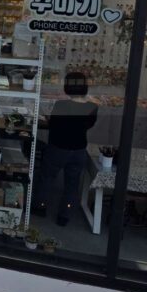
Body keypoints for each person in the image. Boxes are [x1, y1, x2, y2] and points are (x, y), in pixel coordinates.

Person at [35, 72, 99, 226]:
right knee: (72, 184)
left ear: (67, 87)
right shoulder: (92, 107)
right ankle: (64, 215)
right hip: (78, 150)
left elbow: (53, 125)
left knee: (47, 178)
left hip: (58, 148)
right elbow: (88, 125)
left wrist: (48, 119)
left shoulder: (61, 105)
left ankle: (40, 207)